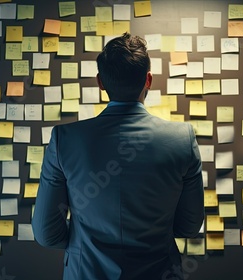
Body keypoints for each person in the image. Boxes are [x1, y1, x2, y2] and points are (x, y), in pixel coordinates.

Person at [32, 33, 204, 280]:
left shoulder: (64, 139)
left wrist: (85, 243)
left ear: (100, 82)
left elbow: (46, 233)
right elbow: (188, 227)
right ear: (148, 80)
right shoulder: (182, 139)